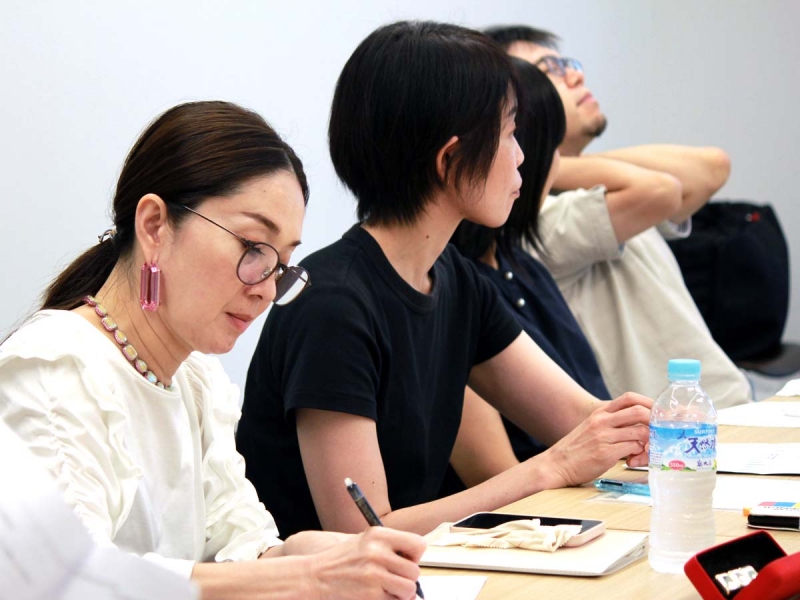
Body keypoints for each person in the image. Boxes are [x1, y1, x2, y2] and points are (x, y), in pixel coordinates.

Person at [237, 20, 653, 540]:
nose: (521, 155)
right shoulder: (332, 304)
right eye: (508, 133)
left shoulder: (457, 279)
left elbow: (575, 416)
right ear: (450, 159)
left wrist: (650, 426)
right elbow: (363, 532)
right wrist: (550, 468)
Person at [0, 100, 425, 600]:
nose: (265, 289)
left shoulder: (196, 379)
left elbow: (241, 543)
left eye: (282, 265)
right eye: (253, 248)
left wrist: (312, 555)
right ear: (155, 225)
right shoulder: (52, 371)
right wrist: (310, 577)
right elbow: (69, 583)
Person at [484, 25, 752, 408]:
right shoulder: (537, 220)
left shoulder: (599, 186)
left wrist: (549, 163)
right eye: (549, 70)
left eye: (567, 64)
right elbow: (663, 189)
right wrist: (533, 162)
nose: (575, 76)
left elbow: (711, 168)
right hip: (671, 425)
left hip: (722, 402)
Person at [446, 58, 610, 489]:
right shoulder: (455, 287)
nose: (524, 157)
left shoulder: (517, 268)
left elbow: (586, 416)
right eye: (510, 136)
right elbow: (495, 474)